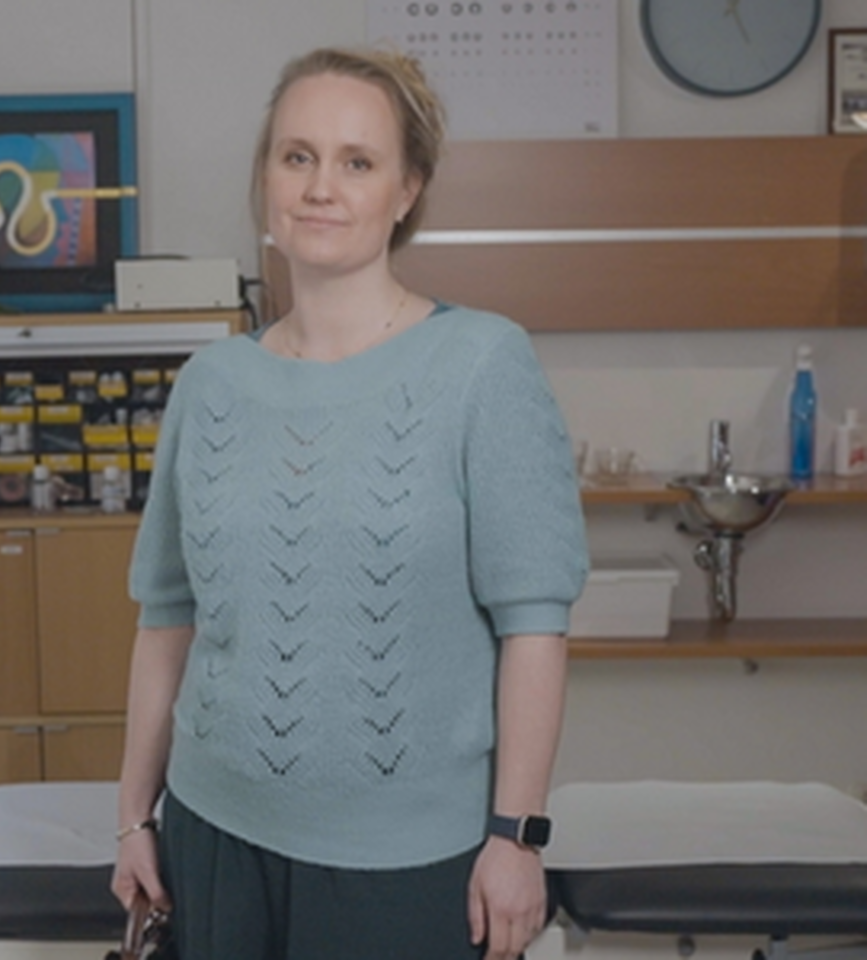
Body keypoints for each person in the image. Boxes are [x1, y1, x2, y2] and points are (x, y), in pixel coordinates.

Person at [112, 45, 588, 960]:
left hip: (407, 862)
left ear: (407, 190)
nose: (321, 187)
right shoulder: (210, 383)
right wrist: (135, 816)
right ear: (266, 176)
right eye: (298, 156)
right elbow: (167, 618)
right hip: (212, 838)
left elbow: (534, 625)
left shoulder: (481, 365)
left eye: (357, 162)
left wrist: (517, 837)